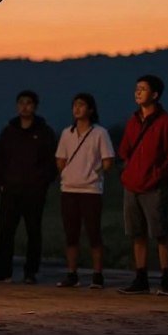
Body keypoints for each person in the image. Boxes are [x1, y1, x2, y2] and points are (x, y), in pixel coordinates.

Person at [117, 75, 168, 296]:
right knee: (137, 234)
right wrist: (128, 172)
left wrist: (157, 174)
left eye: (143, 89)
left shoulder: (166, 122)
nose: (137, 92)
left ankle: (166, 279)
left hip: (154, 186)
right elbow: (124, 150)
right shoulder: (132, 120)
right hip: (131, 185)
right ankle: (141, 278)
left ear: (154, 94)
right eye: (137, 89)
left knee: (161, 233)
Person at [0, 89, 57, 284]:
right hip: (10, 190)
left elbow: (51, 161)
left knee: (33, 231)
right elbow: (0, 158)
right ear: (16, 106)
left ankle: (31, 272)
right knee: (6, 230)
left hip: (34, 191)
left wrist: (42, 184)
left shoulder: (44, 132)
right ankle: (4, 271)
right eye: (21, 103)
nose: (24, 106)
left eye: (28, 103)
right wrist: (1, 183)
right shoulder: (9, 131)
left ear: (35, 106)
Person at [54, 93, 115, 289]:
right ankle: (72, 274)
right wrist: (69, 173)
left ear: (90, 109)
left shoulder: (100, 133)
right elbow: (60, 160)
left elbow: (108, 161)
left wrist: (92, 173)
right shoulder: (66, 133)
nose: (77, 108)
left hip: (91, 190)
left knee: (93, 232)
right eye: (75, 105)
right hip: (69, 189)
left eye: (81, 105)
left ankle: (97, 275)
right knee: (71, 233)